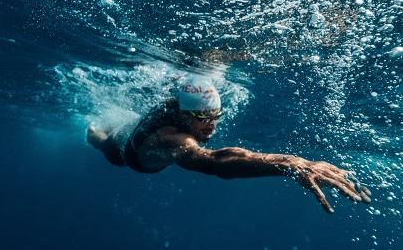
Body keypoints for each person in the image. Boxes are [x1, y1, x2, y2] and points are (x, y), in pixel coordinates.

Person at [87, 76, 371, 213]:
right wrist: (291, 165)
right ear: (183, 115)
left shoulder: (183, 110)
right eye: (202, 117)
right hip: (125, 152)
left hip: (142, 124)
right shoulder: (174, 138)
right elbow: (217, 162)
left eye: (216, 116)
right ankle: (91, 131)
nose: (211, 124)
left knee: (130, 122)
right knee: (101, 141)